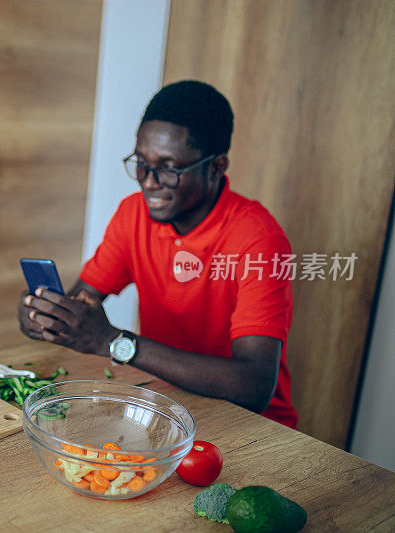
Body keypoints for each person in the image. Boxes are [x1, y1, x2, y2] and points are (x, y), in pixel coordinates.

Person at [17, 80, 298, 428]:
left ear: (216, 167)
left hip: (252, 425)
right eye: (141, 162)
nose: (149, 182)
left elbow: (254, 385)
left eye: (169, 168)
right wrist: (45, 313)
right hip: (166, 406)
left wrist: (114, 342)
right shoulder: (133, 214)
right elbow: (83, 302)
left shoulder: (259, 240)